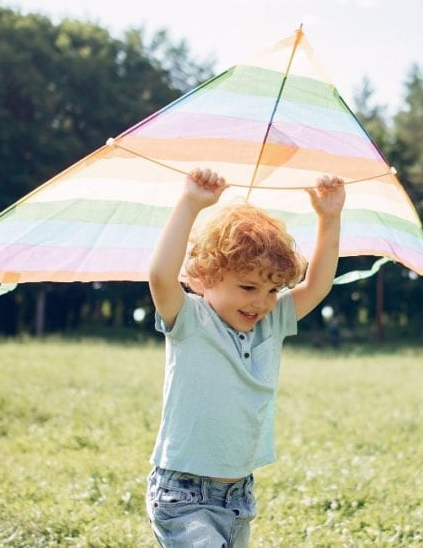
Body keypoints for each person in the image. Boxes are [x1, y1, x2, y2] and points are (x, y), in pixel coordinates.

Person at [146, 167, 345, 547]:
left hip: (238, 492)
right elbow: (159, 276)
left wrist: (329, 217)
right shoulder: (190, 319)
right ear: (205, 277)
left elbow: (317, 286)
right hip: (184, 493)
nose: (261, 300)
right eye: (248, 286)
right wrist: (191, 203)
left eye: (272, 289)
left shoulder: (272, 322)